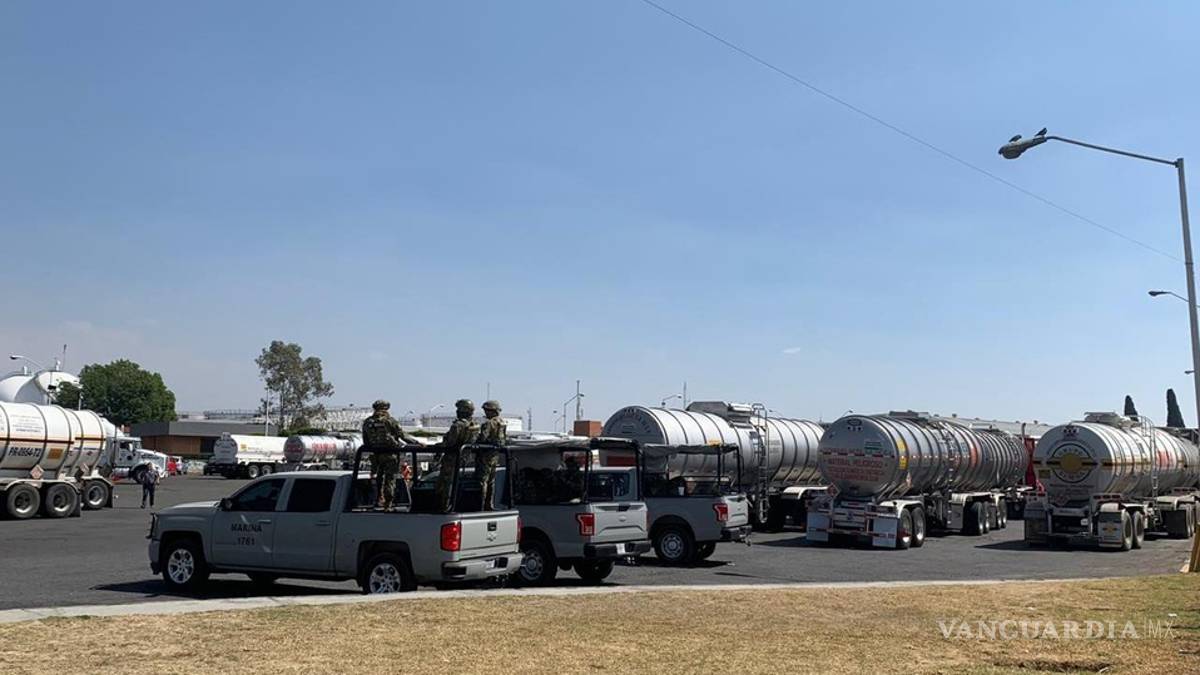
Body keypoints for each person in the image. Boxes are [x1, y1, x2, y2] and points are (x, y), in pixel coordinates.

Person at [362, 399, 421, 510]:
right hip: (390, 455)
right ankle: (387, 504)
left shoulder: (368, 422)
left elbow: (365, 441)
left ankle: (378, 499)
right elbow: (402, 436)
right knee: (390, 479)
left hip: (376, 455)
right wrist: (417, 443)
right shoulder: (390, 421)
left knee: (378, 477)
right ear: (386, 409)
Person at [435, 399, 478, 513]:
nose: (457, 411)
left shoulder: (458, 425)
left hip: (452, 458)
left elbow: (450, 443)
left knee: (445, 483)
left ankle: (444, 507)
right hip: (463, 458)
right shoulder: (474, 425)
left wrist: (438, 447)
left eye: (459, 409)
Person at [475, 400, 507, 511]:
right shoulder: (502, 423)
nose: (485, 412)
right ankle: (490, 504)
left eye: (486, 410)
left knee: (482, 481)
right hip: (495, 455)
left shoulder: (489, 423)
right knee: (491, 481)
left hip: (485, 455)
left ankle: (481, 505)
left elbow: (483, 438)